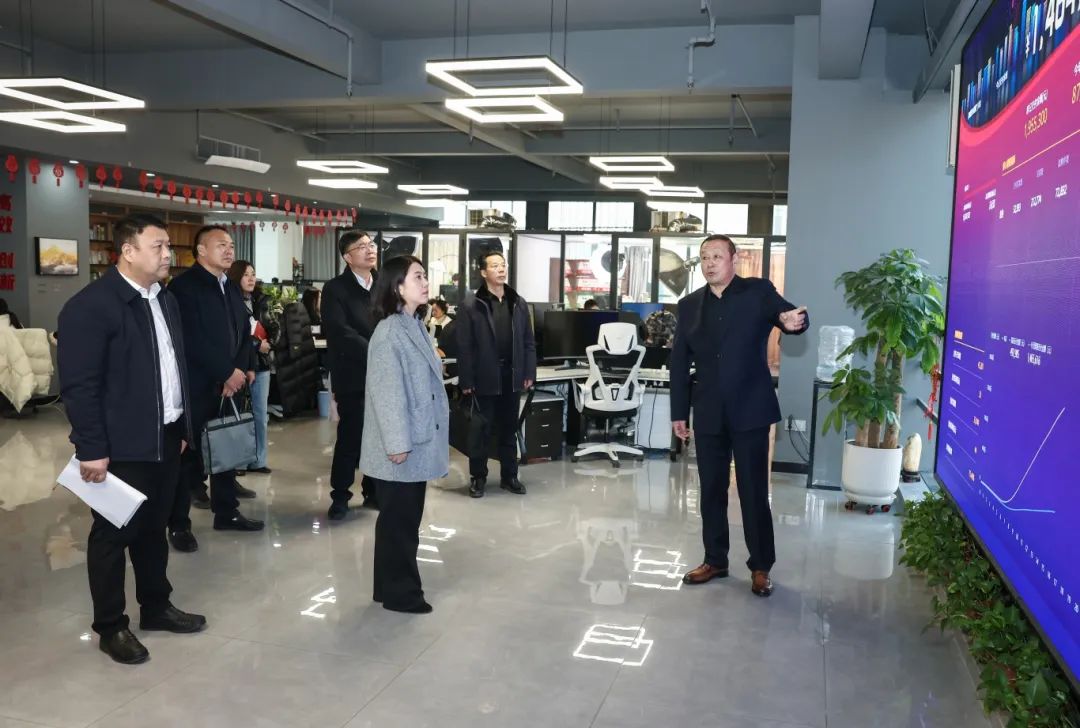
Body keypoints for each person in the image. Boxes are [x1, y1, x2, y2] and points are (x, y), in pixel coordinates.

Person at [57, 213, 206, 664]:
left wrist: (182, 427)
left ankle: (156, 606)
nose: (168, 254)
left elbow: (175, 368)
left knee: (154, 529)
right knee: (112, 534)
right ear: (127, 251)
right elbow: (80, 387)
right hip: (119, 444)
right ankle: (110, 626)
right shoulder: (91, 306)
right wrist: (91, 449)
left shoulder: (165, 299)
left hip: (166, 437)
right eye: (158, 246)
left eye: (168, 246)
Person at [669, 234, 808, 598]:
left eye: (717, 256)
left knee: (753, 491)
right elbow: (679, 362)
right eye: (704, 257)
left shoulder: (758, 291)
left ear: (734, 259)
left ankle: (761, 566)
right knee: (711, 491)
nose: (709, 263)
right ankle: (715, 560)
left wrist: (793, 321)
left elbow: (786, 314)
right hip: (709, 412)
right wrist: (678, 412)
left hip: (750, 410)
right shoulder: (689, 305)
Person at [359, 255, 449, 614]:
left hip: (416, 438)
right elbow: (387, 394)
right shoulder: (389, 332)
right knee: (400, 524)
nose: (425, 283)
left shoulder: (413, 324)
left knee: (398, 521)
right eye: (417, 277)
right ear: (397, 286)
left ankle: (387, 588)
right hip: (401, 446)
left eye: (425, 276)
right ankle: (401, 594)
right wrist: (396, 444)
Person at [167, 225, 264, 548]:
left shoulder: (231, 287)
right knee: (187, 458)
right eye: (221, 244)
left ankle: (227, 512)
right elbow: (190, 339)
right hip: (198, 385)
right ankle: (178, 524)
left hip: (231, 384)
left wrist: (245, 366)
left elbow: (243, 330)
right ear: (201, 251)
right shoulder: (184, 287)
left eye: (231, 245)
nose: (229, 250)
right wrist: (225, 372)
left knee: (226, 449)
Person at [457, 251, 536, 498]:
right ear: (483, 272)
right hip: (484, 377)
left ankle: (509, 476)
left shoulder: (518, 302)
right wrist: (466, 379)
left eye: (503, 265)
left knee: (509, 429)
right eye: (494, 266)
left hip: (511, 376)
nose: (501, 269)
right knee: (480, 432)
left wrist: (528, 371)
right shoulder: (471, 304)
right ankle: (478, 478)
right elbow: (464, 346)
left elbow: (528, 341)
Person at [321, 230, 379, 519]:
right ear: (347, 256)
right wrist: (377, 351)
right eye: (361, 246)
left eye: (371, 244)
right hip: (353, 374)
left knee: (380, 436)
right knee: (351, 436)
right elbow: (340, 331)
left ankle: (373, 490)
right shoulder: (335, 289)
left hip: (384, 376)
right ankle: (340, 495)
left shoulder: (384, 285)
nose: (370, 250)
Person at [228, 260, 273, 474]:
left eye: (253, 274)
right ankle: (238, 462)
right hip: (239, 365)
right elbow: (235, 335)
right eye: (246, 274)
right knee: (238, 416)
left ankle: (259, 460)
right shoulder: (230, 300)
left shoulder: (261, 301)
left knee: (260, 415)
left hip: (261, 365)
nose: (251, 278)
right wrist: (256, 344)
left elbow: (275, 327)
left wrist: (269, 343)